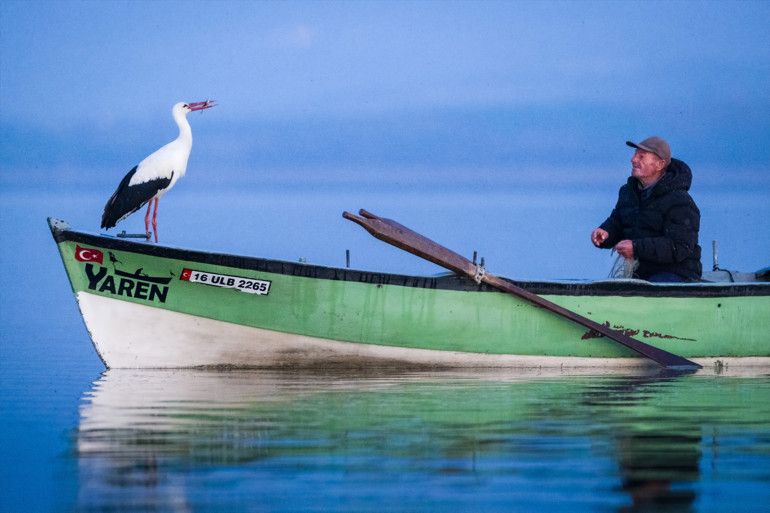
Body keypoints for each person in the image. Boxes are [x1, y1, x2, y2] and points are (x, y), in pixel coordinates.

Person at [591, 137, 701, 282]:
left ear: (660, 165)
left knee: (655, 287)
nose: (633, 159)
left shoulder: (680, 201)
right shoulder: (628, 192)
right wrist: (606, 232)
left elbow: (679, 247)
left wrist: (636, 248)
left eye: (641, 156)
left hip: (676, 274)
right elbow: (618, 221)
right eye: (635, 154)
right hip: (641, 274)